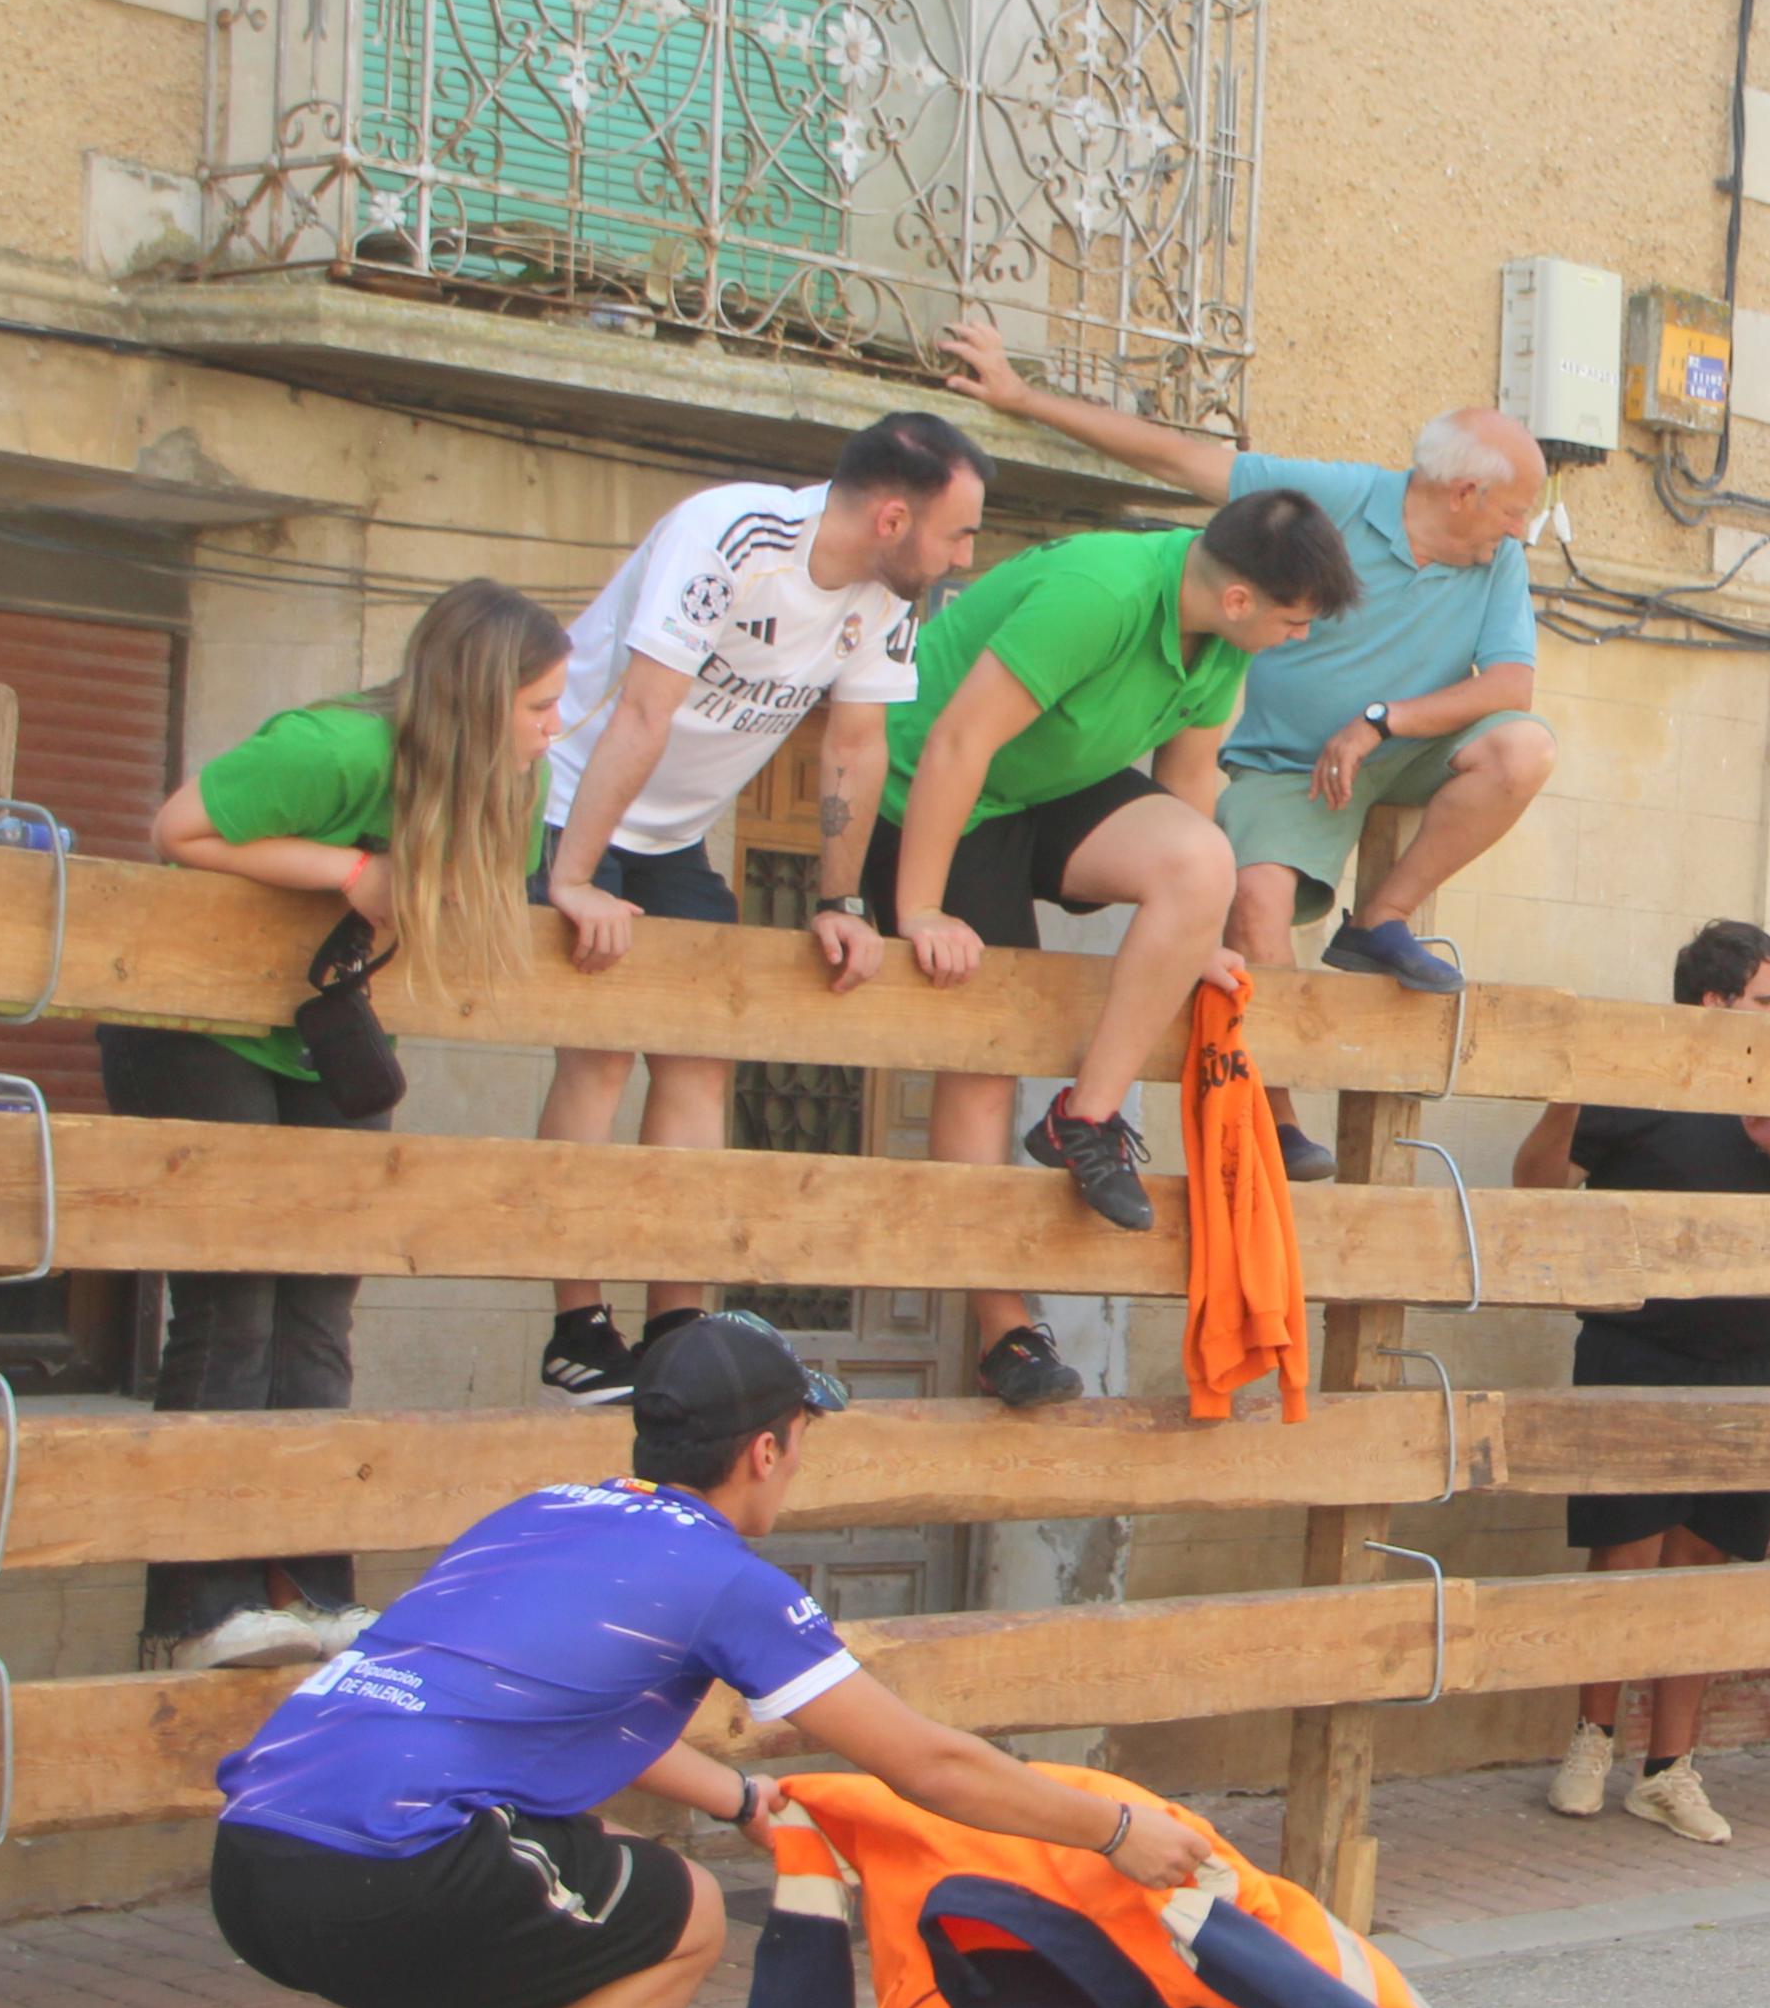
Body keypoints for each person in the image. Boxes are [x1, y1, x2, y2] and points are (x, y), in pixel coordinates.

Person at [204, 1311, 1221, 2008]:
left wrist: (741, 1797)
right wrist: (1113, 1832)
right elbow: (928, 1760)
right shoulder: (725, 1577)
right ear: (765, 1448)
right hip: (385, 1867)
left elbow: (562, 1702)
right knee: (682, 1911)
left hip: (253, 1860)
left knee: (582, 1906)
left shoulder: (541, 1514)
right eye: (799, 1440)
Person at [942, 322, 1551, 1182]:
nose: (1522, 530)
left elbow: (1512, 688)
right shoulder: (1331, 499)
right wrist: (1021, 397)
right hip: (1287, 764)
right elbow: (1183, 463)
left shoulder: (1498, 564)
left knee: (1523, 750)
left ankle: (1378, 921)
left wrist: (1382, 719)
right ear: (1460, 492)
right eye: (1516, 508)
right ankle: (1281, 1117)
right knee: (1254, 897)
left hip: (1404, 744)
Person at [99, 580, 566, 1670]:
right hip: (193, 1023)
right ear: (479, 695)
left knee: (318, 1311)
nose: (557, 725)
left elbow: (495, 895)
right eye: (541, 704)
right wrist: (350, 869)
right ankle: (197, 1609)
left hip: (313, 1030)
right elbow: (177, 828)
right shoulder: (337, 749)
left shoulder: (514, 779)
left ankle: (306, 1591)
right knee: (231, 1308)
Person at [528, 414, 993, 1405]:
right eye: (957, 534)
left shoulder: (885, 600)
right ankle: (577, 1325)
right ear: (894, 515)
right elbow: (643, 710)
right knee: (601, 1049)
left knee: (701, 1057)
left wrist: (840, 900)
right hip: (570, 804)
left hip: (675, 837)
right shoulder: (731, 538)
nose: (964, 556)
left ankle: (677, 1328)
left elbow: (853, 746)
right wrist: (573, 878)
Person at [867, 490, 1363, 1407]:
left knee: (1200, 856)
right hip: (929, 792)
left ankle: (1081, 1119)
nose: (1298, 639)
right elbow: (956, 742)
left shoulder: (1222, 640)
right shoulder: (1099, 591)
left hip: (1043, 786)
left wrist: (1197, 937)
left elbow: (1182, 797)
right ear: (1244, 600)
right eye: (1294, 623)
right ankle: (1005, 1333)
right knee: (979, 1062)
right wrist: (920, 909)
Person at [1517, 921, 1770, 1844]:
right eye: (1766, 1000)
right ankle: (1591, 1742)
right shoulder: (1633, 1082)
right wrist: (1563, 1105)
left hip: (1748, 1364)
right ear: (1714, 1003)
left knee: (1702, 1570)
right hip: (1636, 1354)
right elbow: (1536, 1187)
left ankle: (1667, 1770)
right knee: (1623, 1556)